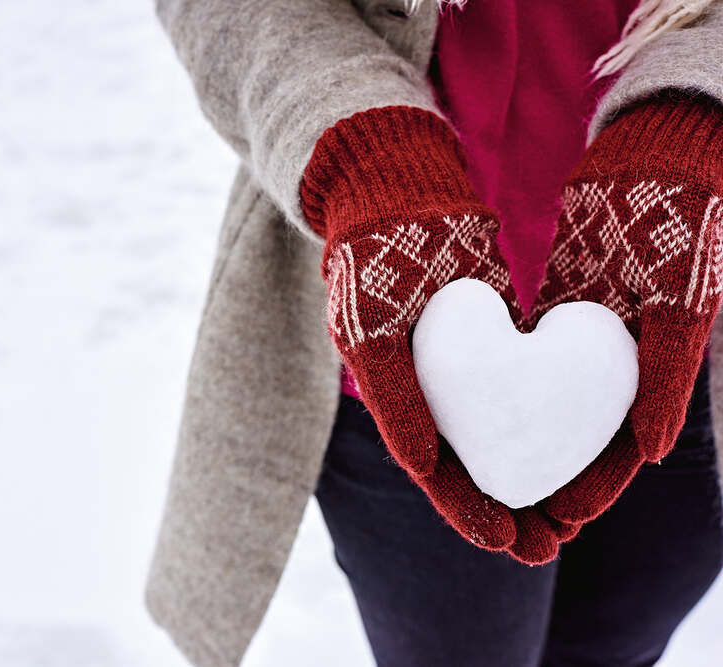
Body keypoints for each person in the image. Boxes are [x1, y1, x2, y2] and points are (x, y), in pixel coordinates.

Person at [146, 1, 723, 665]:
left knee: (617, 646)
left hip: (682, 306)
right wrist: (363, 146)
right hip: (399, 332)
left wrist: (695, 109)